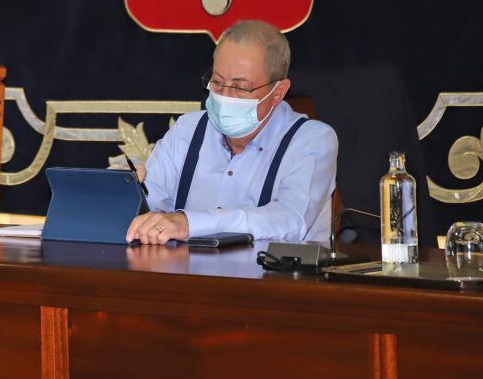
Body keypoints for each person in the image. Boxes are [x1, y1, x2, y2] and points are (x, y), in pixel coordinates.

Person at [127, 20, 337, 244]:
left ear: (278, 92)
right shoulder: (186, 131)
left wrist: (189, 223)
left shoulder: (312, 141)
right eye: (217, 82)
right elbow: (150, 202)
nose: (225, 96)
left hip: (274, 277)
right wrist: (130, 198)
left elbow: (291, 220)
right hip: (187, 275)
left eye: (240, 87)